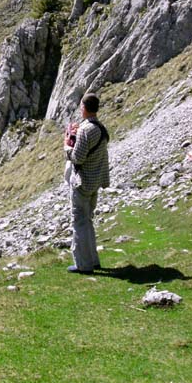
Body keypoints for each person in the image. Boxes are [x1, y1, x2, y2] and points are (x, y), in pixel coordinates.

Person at [64, 93, 110, 273]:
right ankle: (93, 260)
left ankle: (83, 265)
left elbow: (78, 157)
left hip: (82, 183)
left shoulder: (86, 129)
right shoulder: (100, 127)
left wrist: (67, 145)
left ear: (84, 107)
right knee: (88, 220)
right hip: (95, 180)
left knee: (79, 222)